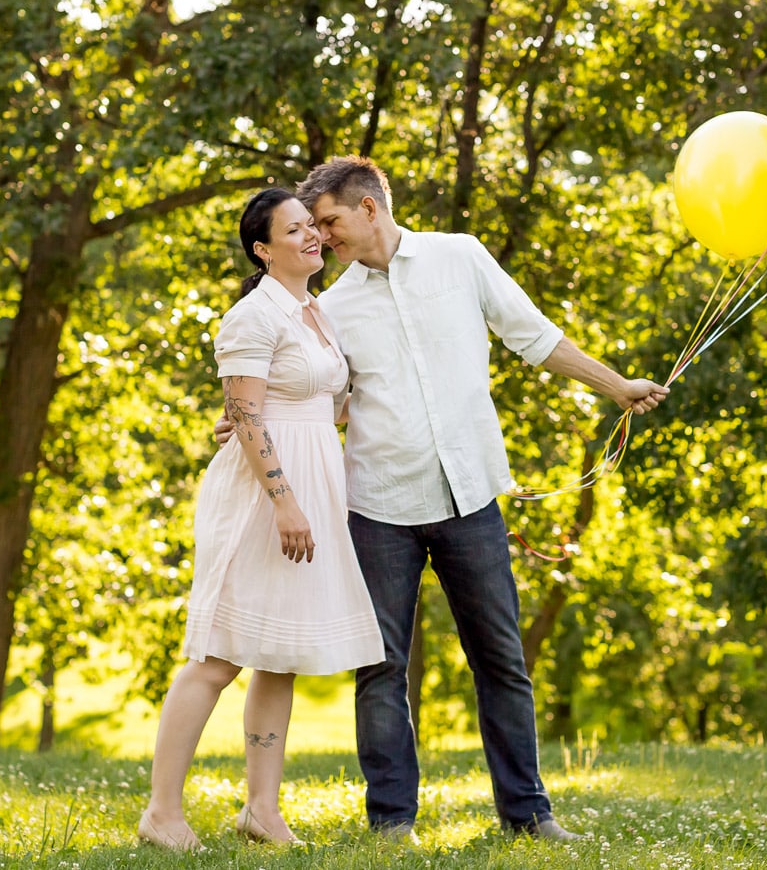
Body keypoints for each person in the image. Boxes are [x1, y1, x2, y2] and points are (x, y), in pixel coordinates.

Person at [222, 158, 668, 842]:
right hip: (376, 506)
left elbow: (534, 334)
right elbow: (318, 399)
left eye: (331, 221)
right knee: (380, 671)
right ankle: (392, 821)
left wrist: (616, 386)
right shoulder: (329, 309)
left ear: (370, 207)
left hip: (470, 499)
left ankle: (529, 814)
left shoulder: (460, 257)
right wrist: (245, 421)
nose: (325, 237)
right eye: (313, 227)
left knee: (502, 662)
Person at [137, 187, 384, 852]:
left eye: (313, 225)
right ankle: (162, 812)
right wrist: (284, 499)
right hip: (264, 498)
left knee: (280, 655)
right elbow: (245, 416)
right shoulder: (253, 316)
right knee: (218, 655)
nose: (313, 236)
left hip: (312, 486)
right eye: (297, 229)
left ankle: (262, 811)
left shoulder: (314, 312)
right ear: (262, 248)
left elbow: (314, 405)